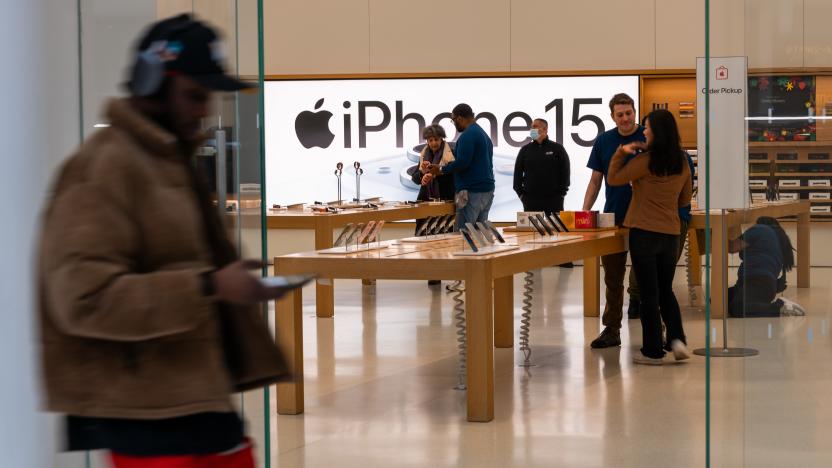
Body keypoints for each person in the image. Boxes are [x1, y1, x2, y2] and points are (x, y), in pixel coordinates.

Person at [37, 15, 289, 467]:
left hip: (196, 403)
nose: (204, 110)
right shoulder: (104, 168)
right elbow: (83, 297)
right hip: (148, 421)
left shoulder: (169, 161)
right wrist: (208, 286)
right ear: (154, 82)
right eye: (194, 95)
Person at [607, 109, 692, 365]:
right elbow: (685, 199)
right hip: (670, 233)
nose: (643, 132)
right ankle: (677, 341)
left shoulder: (645, 161)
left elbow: (614, 179)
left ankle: (653, 350)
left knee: (648, 293)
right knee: (665, 289)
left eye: (647, 128)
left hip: (643, 233)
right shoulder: (682, 161)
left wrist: (621, 152)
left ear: (656, 132)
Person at [583, 93, 645, 348]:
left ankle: (657, 330)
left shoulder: (648, 138)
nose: (625, 118)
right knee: (612, 279)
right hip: (614, 219)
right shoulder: (604, 141)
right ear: (612, 116)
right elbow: (596, 180)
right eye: (620, 114)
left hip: (645, 219)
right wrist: (585, 211)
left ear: (634, 112)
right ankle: (611, 330)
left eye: (628, 113)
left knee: (649, 278)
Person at [513, 117, 572, 267]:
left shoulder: (557, 149)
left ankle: (564, 260)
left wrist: (562, 193)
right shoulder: (525, 150)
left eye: (536, 126)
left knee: (558, 231)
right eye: (532, 126)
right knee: (533, 233)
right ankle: (534, 262)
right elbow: (517, 175)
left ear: (545, 130)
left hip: (554, 198)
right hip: (531, 199)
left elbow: (565, 172)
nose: (532, 129)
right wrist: (522, 195)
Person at [429, 103, 495, 228]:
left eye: (453, 120)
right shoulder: (484, 135)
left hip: (470, 192)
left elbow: (463, 162)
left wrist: (441, 169)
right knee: (480, 236)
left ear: (459, 118)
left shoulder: (467, 135)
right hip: (487, 190)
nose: (454, 123)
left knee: (463, 237)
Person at [727, 216, 804, 317]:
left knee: (738, 308)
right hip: (763, 286)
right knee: (720, 300)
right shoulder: (778, 239)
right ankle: (758, 306)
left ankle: (780, 307)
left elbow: (732, 247)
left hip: (756, 282)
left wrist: (715, 232)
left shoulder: (759, 229)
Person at [411, 124, 455, 286]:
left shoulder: (451, 154)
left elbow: (453, 176)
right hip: (426, 201)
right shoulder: (424, 154)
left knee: (444, 238)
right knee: (426, 239)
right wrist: (422, 174)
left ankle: (446, 272)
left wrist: (436, 173)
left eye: (436, 139)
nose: (434, 143)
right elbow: (415, 179)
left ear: (442, 138)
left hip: (445, 201)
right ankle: (433, 274)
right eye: (430, 140)